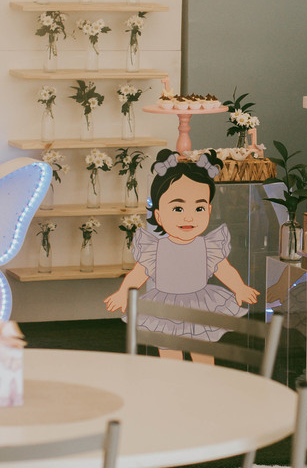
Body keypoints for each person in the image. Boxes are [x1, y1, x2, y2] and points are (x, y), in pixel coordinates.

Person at [104, 149, 259, 361]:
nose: (189, 217)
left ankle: (204, 379)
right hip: (165, 307)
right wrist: (123, 292)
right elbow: (138, 274)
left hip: (201, 304)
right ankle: (173, 380)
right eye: (178, 209)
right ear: (158, 215)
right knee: (170, 354)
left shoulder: (208, 246)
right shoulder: (155, 248)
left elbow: (224, 269)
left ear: (209, 211)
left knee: (202, 352)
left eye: (199, 208)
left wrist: (239, 287)